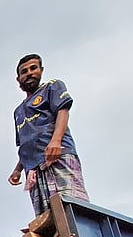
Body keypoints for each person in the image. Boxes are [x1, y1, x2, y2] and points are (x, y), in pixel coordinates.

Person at [8, 53, 89, 217]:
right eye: (24, 71)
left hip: (57, 156)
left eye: (33, 68)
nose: (29, 73)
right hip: (34, 170)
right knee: (46, 218)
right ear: (18, 79)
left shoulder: (51, 87)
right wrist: (17, 170)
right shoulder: (18, 111)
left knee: (70, 206)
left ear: (41, 70)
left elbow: (63, 111)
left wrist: (56, 141)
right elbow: (26, 143)